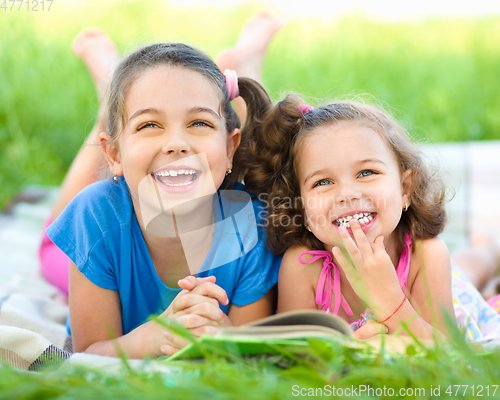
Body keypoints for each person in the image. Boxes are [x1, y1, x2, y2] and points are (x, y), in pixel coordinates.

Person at [43, 31, 286, 358]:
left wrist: (223, 338)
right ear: (113, 155)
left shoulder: (253, 228)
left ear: (231, 149)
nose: (176, 143)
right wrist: (156, 337)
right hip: (97, 237)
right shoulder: (93, 217)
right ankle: (108, 98)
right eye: (149, 125)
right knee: (50, 255)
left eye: (199, 123)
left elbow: (248, 357)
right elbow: (87, 356)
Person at [242, 95, 500, 342]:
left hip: (451, 300)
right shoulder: (302, 266)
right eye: (323, 181)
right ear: (301, 208)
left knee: (468, 272)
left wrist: (389, 300)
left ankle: (488, 249)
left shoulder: (426, 255)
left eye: (366, 172)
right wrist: (349, 351)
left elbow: (447, 359)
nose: (347, 194)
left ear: (405, 189)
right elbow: (297, 357)